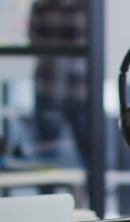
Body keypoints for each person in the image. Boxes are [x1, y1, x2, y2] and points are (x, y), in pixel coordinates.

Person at [28, 0, 91, 166]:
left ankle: (91, 191)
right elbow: (35, 42)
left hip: (80, 89)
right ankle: (46, 191)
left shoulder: (88, 6)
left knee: (90, 153)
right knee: (46, 152)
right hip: (49, 87)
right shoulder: (42, 6)